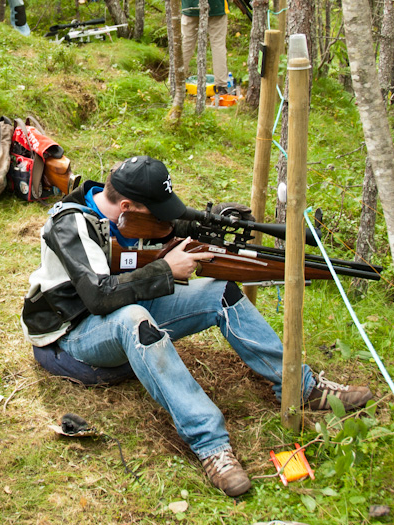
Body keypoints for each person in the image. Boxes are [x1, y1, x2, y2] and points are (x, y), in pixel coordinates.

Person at [21, 156, 373, 497]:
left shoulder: (128, 214)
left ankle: (301, 387)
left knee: (219, 290)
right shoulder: (71, 224)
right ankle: (211, 445)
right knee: (134, 320)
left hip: (122, 313)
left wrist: (212, 224)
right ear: (127, 206)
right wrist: (165, 270)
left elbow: (171, 226)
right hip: (71, 338)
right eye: (156, 213)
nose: (164, 219)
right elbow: (98, 298)